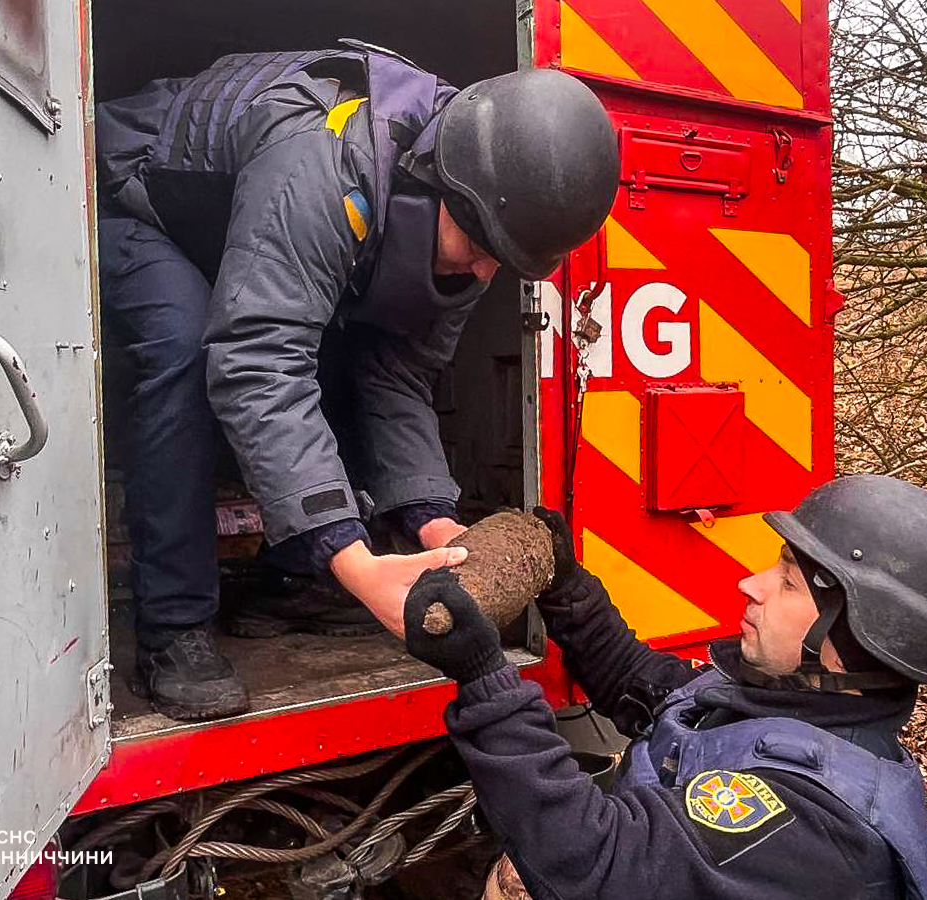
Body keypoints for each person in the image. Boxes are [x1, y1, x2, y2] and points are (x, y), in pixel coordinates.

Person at [94, 41, 620, 720]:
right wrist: (353, 557)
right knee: (190, 342)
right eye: (482, 250)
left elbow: (397, 374)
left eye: (504, 260)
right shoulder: (325, 158)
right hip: (134, 199)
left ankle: (290, 584)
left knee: (337, 344)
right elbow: (259, 354)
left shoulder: (476, 210)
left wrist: (437, 522)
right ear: (438, 186)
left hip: (251, 236)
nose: (486, 275)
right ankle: (173, 629)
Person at [403, 475, 927, 900]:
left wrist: (485, 679)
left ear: (857, 638)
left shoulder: (820, 828)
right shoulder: (784, 710)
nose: (753, 584)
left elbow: (594, 864)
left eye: (791, 583)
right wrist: (565, 583)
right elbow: (648, 687)